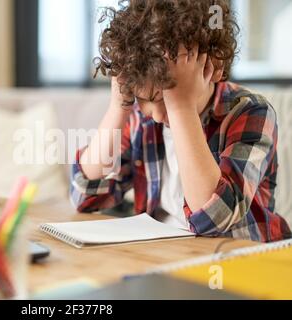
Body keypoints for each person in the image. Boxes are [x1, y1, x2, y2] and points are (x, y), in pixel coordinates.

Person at [70, 0, 291, 242]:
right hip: (167, 258)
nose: (155, 114)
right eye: (145, 98)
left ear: (212, 66)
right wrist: (118, 107)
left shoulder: (250, 112)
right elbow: (85, 195)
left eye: (165, 98)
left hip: (241, 264)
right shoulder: (141, 122)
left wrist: (181, 106)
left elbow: (214, 218)